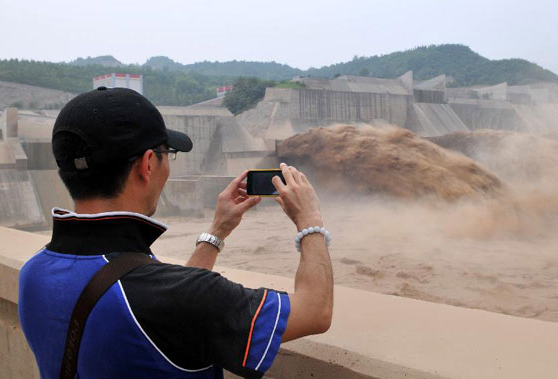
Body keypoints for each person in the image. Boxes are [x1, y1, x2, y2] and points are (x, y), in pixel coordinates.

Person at [18, 87, 333, 379]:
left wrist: (217, 232)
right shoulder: (176, 296)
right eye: (167, 153)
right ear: (148, 165)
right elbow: (315, 311)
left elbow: (168, 312)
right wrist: (310, 222)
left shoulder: (34, 273)